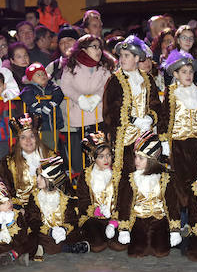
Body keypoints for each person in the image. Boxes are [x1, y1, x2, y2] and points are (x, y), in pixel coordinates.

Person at [102, 36, 161, 181]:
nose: (122, 59)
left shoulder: (147, 79)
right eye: (121, 56)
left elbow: (155, 103)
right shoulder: (115, 80)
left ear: (136, 58)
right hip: (125, 137)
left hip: (146, 133)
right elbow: (111, 109)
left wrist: (150, 118)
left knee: (146, 174)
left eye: (126, 56)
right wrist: (134, 121)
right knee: (126, 175)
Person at [114, 132, 182, 258]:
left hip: (159, 219)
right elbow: (124, 204)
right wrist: (124, 229)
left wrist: (175, 230)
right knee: (136, 252)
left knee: (161, 252)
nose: (136, 161)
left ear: (152, 159)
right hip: (138, 219)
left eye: (141, 158)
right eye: (135, 157)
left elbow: (173, 204)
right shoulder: (131, 179)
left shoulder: (165, 178)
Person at [158, 50, 197, 208]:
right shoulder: (172, 92)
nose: (188, 75)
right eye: (184, 72)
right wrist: (164, 142)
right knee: (179, 180)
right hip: (178, 144)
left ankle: (196, 213)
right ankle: (181, 217)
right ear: (176, 73)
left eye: (190, 72)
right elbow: (164, 117)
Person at [60, 35, 114, 173]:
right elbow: (65, 86)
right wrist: (79, 98)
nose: (98, 50)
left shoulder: (104, 67)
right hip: (80, 118)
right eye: (94, 46)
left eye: (99, 47)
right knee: (85, 155)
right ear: (83, 49)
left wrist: (97, 96)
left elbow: (107, 85)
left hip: (100, 116)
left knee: (102, 152)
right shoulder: (71, 67)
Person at [25, 155, 90, 258]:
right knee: (36, 237)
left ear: (52, 179)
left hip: (63, 231)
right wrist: (49, 231)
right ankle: (68, 248)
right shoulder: (34, 196)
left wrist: (64, 229)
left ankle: (50, 247)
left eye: (41, 176)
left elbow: (72, 219)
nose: (37, 179)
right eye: (37, 175)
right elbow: (33, 220)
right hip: (44, 232)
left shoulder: (65, 196)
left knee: (76, 234)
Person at [75, 132, 121, 253]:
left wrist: (114, 220)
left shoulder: (118, 174)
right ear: (93, 158)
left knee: (119, 245)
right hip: (92, 219)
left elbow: (124, 199)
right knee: (97, 246)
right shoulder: (85, 175)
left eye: (108, 155)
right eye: (101, 157)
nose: (106, 160)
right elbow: (82, 201)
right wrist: (96, 211)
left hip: (115, 218)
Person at [20, 63, 64, 153]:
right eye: (38, 75)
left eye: (43, 73)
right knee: (39, 147)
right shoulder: (29, 88)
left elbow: (59, 94)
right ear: (31, 78)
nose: (42, 76)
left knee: (52, 147)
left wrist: (51, 104)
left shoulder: (52, 86)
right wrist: (37, 106)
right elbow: (25, 95)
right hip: (38, 125)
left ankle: (52, 163)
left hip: (54, 124)